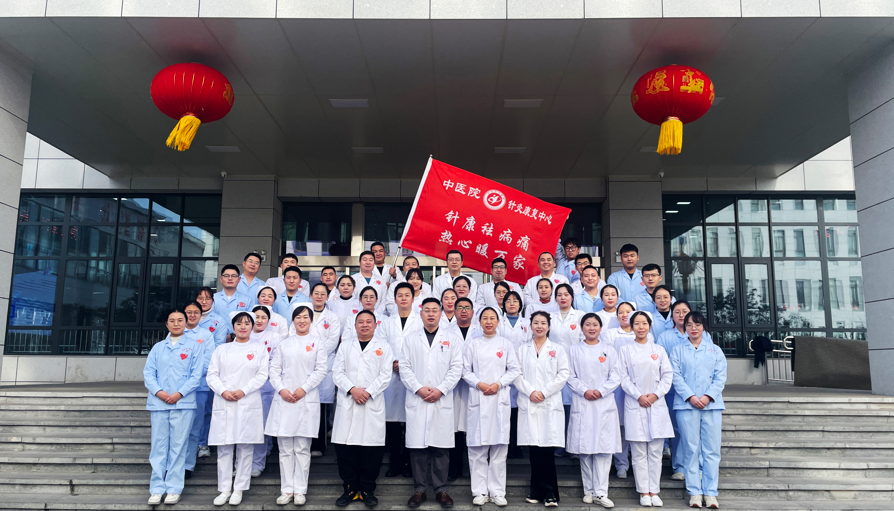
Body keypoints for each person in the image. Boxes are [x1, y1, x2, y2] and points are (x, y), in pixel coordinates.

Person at [400, 298, 463, 508]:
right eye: (426, 310)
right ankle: (419, 490)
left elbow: (456, 368)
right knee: (418, 448)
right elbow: (404, 367)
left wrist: (441, 389)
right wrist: (418, 388)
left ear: (440, 313)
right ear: (421, 314)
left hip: (441, 399)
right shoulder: (410, 339)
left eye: (435, 310)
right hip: (417, 398)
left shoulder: (451, 339)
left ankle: (441, 490)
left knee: (441, 448)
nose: (430, 314)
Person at [265, 306, 329, 506]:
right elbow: (274, 370)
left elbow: (321, 370)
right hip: (284, 400)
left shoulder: (317, 343)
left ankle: (300, 490)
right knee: (285, 448)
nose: (302, 320)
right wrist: (282, 389)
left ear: (311, 320)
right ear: (293, 320)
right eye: (298, 317)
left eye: (305, 317)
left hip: (306, 399)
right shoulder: (284, 344)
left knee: (302, 448)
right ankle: (286, 489)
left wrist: (304, 389)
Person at [206, 311, 269, 506]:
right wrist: (223, 391)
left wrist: (243, 391)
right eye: (239, 323)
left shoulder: (259, 349)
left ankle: (239, 488)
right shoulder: (222, 350)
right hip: (224, 401)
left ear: (252, 326)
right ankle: (224, 489)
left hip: (247, 401)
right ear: (233, 327)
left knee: (245, 447)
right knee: (224, 448)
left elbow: (262, 375)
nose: (243, 327)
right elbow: (211, 375)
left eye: (247, 323)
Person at [332, 310, 394, 507]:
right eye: (361, 322)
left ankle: (367, 489)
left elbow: (385, 375)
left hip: (371, 402)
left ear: (375, 325)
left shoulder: (384, 347)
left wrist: (368, 392)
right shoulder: (345, 346)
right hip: (349, 401)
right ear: (355, 325)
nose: (365, 325)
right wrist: (352, 389)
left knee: (371, 450)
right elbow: (337, 372)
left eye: (369, 322)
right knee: (346, 449)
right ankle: (349, 489)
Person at [144, 308, 205, 506]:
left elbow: (196, 375)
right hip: (159, 403)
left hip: (183, 403)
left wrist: (179, 393)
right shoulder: (158, 348)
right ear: (166, 324)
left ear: (186, 323)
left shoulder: (195, 346)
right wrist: (159, 392)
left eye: (180, 320)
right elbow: (148, 374)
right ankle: (156, 488)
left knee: (178, 447)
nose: (176, 323)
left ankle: (173, 488)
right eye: (172, 320)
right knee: (158, 447)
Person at [462, 308, 522, 507]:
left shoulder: (505, 344)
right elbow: (465, 370)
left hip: (498, 398)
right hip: (478, 397)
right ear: (479, 321)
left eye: (492, 318)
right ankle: (479, 491)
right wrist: (479, 384)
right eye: (485, 318)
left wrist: (498, 384)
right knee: (477, 449)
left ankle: (497, 492)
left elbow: (514, 369)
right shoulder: (472, 344)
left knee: (499, 449)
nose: (488, 321)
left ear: (498, 321)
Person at [669, 311, 727, 510]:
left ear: (704, 327)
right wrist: (691, 397)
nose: (693, 328)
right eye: (689, 324)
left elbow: (720, 377)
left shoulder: (715, 350)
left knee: (712, 450)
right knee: (690, 449)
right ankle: (694, 491)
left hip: (712, 405)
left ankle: (711, 493)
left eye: (698, 324)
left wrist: (707, 396)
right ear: (684, 327)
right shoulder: (677, 350)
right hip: (686, 405)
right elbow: (675, 376)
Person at [515, 311, 570, 507]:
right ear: (530, 325)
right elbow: (516, 374)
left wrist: (544, 392)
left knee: (546, 450)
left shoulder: (558, 349)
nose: (539, 326)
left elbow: (563, 374)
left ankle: (549, 493)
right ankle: (537, 491)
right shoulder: (522, 350)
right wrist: (531, 391)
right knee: (534, 450)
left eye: (543, 323)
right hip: (529, 401)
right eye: (536, 322)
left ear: (549, 326)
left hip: (549, 402)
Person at [566, 313, 621, 509]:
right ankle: (588, 490)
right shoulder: (573, 350)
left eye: (595, 324)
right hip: (583, 402)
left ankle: (601, 492)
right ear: (582, 328)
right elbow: (569, 375)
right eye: (587, 324)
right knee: (585, 448)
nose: (591, 328)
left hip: (604, 403)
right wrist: (584, 391)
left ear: (600, 328)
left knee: (604, 449)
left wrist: (600, 391)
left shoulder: (609, 350)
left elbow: (616, 375)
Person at [619, 311, 673, 508]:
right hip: (635, 403)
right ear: (631, 326)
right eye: (637, 323)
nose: (641, 327)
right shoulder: (625, 350)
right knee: (639, 452)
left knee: (656, 452)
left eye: (644, 323)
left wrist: (655, 395)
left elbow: (667, 375)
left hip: (656, 403)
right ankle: (643, 491)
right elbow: (623, 377)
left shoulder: (659, 350)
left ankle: (654, 491)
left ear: (650, 326)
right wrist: (638, 396)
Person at [656, 300, 703, 481]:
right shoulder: (665, 337)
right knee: (677, 429)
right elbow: (663, 363)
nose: (681, 315)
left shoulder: (703, 336)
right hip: (673, 390)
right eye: (677, 312)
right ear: (672, 315)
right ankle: (680, 467)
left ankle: (698, 466)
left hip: (698, 391)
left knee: (697, 430)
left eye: (685, 311)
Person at [381, 283, 418, 478]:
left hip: (413, 376)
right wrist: (393, 363)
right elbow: (381, 346)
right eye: (400, 295)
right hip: (391, 376)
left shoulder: (419, 321)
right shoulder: (387, 322)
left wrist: (404, 365)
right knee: (393, 422)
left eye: (407, 295)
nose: (403, 298)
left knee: (412, 420)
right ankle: (394, 461)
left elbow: (421, 348)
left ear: (413, 298)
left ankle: (409, 462)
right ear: (394, 299)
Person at [600, 301, 640, 478]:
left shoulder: (643, 333)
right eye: (621, 312)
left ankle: (636, 463)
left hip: (638, 385)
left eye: (628, 312)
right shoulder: (609, 334)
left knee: (636, 424)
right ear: (616, 316)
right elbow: (608, 357)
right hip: (616, 385)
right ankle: (621, 463)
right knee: (619, 424)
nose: (624, 315)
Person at [548, 283, 585, 457]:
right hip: (553, 367)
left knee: (573, 408)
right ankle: (559, 444)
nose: (563, 297)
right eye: (559, 295)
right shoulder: (550, 317)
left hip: (574, 366)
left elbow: (584, 339)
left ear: (572, 297)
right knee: (557, 407)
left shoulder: (580, 316)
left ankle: (573, 445)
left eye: (566, 294)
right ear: (555, 298)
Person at [193, 288, 230, 460]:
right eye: (200, 297)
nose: (204, 301)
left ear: (213, 302)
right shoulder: (187, 318)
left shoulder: (218, 321)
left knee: (205, 410)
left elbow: (217, 347)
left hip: (207, 373)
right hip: (185, 374)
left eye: (207, 298)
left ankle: (202, 443)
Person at [182, 301, 217, 480]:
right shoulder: (175, 333)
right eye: (189, 312)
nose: (192, 315)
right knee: (179, 428)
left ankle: (188, 464)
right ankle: (175, 463)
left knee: (195, 427)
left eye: (196, 312)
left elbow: (208, 360)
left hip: (200, 386)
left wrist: (190, 376)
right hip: (178, 388)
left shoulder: (206, 335)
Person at [307, 283, 343, 457]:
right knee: (305, 405)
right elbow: (294, 334)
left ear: (328, 297)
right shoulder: (302, 313)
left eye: (323, 294)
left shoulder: (332, 317)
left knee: (320, 407)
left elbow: (333, 341)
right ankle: (304, 443)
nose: (319, 296)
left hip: (324, 362)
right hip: (304, 364)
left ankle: (319, 445)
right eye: (316, 293)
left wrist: (316, 354)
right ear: (310, 295)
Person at [445, 297, 479, 480]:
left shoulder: (480, 331)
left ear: (473, 312)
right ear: (454, 311)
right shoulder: (446, 333)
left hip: (476, 386)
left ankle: (473, 470)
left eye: (467, 307)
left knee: (472, 427)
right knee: (454, 428)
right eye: (460, 307)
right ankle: (454, 468)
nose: (464, 310)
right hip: (453, 387)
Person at [249, 305, 282, 477]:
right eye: (256, 317)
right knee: (247, 427)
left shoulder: (274, 336)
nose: (259, 320)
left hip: (267, 387)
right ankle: (242, 463)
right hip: (245, 389)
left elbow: (276, 361)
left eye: (263, 317)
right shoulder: (244, 335)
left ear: (269, 320)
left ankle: (257, 463)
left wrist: (258, 372)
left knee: (261, 426)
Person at [497, 290, 530, 460]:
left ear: (520, 304)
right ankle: (506, 444)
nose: (511, 303)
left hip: (522, 370)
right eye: (508, 301)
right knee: (504, 409)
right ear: (503, 304)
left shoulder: (527, 323)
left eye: (515, 300)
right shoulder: (498, 323)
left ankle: (517, 446)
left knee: (519, 409)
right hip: (501, 371)